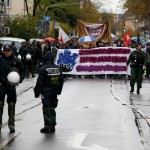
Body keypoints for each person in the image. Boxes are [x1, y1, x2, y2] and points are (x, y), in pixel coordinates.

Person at [34, 51, 64, 133]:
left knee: (46, 108)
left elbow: (39, 82)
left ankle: (48, 126)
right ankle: (53, 125)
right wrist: (59, 90)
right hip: (55, 91)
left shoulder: (43, 69)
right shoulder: (58, 68)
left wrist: (37, 93)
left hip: (46, 92)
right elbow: (61, 81)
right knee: (52, 107)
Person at [0, 45, 25, 133]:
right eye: (5, 51)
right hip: (1, 85)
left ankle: (11, 125)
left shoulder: (16, 60)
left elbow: (22, 71)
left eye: (8, 51)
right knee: (0, 105)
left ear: (11, 51)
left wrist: (19, 80)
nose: (7, 52)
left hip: (11, 86)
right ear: (3, 51)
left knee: (11, 105)